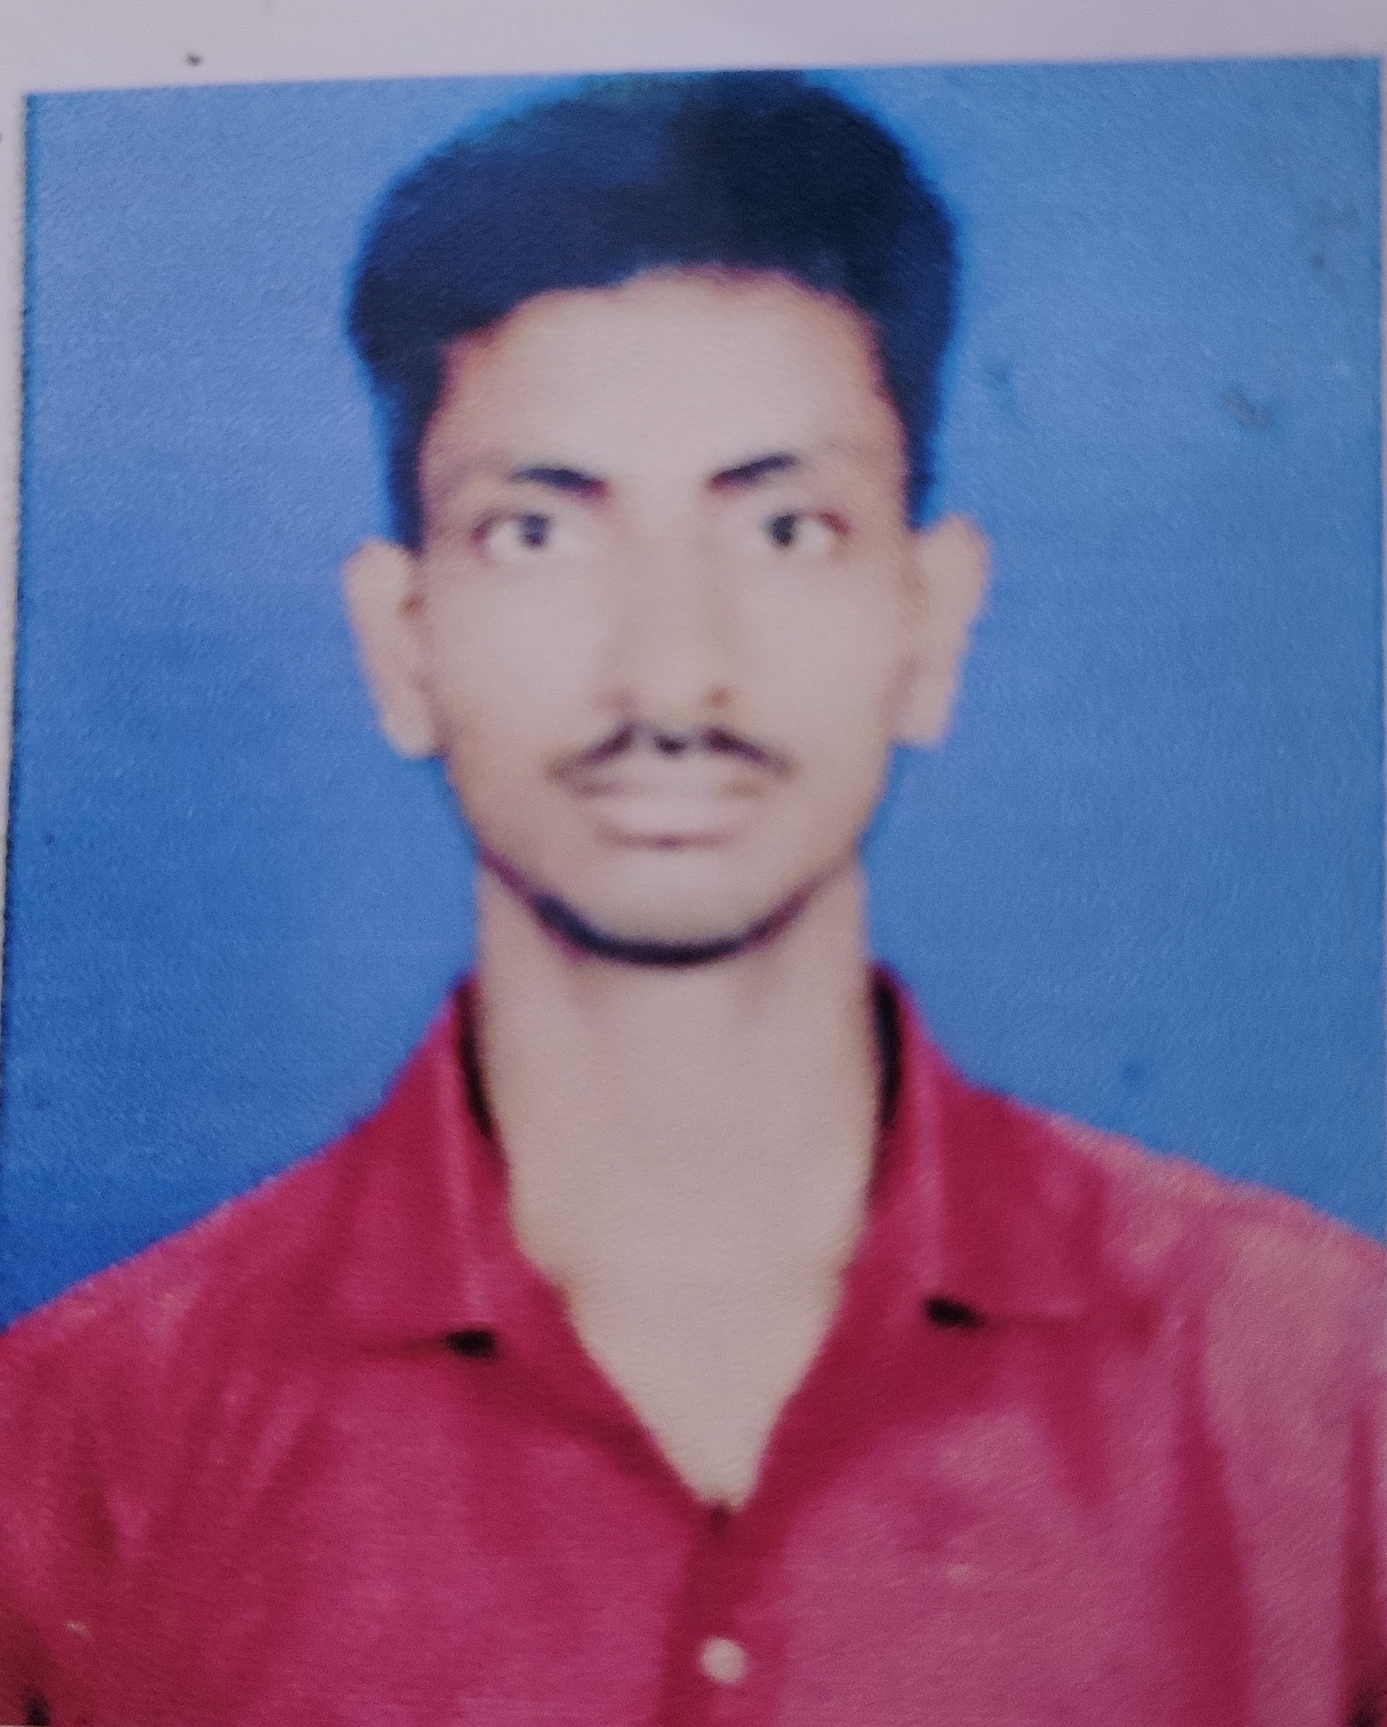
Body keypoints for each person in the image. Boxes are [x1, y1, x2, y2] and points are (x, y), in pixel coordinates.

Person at [0, 69, 1381, 1727]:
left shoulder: (1323, 1394)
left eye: (787, 527)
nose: (671, 671)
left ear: (932, 618)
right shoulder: (83, 1444)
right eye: (536, 531)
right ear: (400, 641)